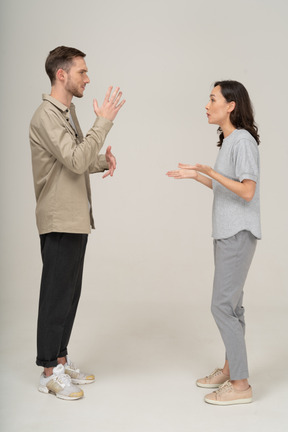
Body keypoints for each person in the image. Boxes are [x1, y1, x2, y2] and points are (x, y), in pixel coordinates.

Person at [29, 46, 125, 400]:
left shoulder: (66, 112)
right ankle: (47, 372)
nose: (87, 78)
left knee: (70, 294)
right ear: (62, 75)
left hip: (75, 218)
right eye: (82, 72)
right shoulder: (46, 115)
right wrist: (104, 122)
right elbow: (72, 160)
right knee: (55, 295)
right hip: (58, 218)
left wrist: (100, 161)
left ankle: (61, 358)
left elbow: (78, 159)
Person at [167, 80, 261, 406]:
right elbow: (228, 190)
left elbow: (247, 190)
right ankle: (230, 368)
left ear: (231, 105)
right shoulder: (230, 140)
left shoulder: (243, 141)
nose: (207, 105)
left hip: (238, 234)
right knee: (232, 307)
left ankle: (241, 385)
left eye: (212, 99)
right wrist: (198, 176)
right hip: (226, 234)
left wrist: (211, 172)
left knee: (221, 306)